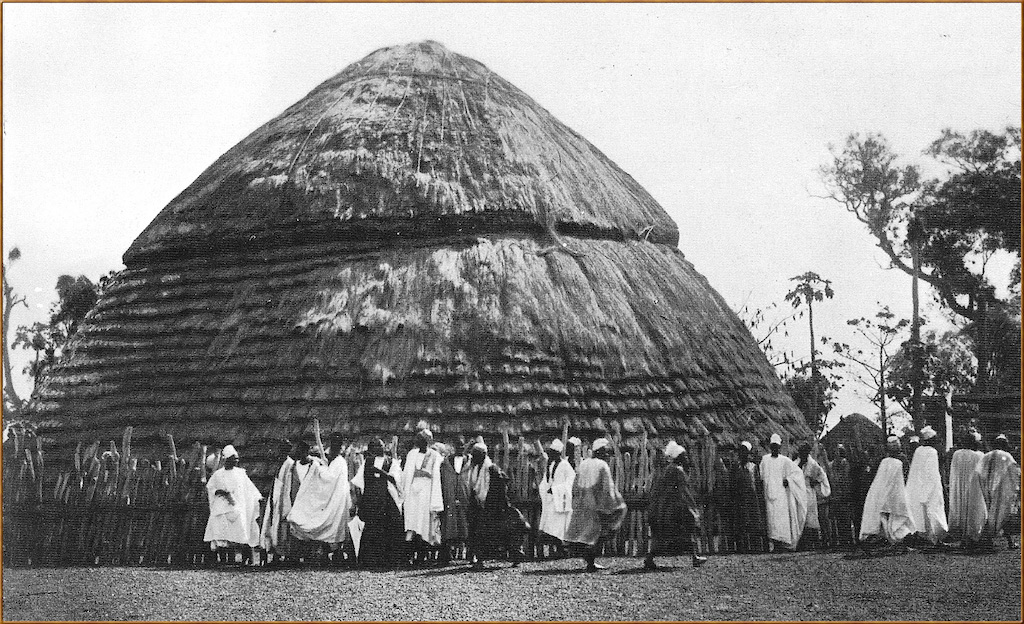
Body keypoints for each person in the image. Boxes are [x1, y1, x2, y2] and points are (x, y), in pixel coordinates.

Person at [288, 432, 353, 562]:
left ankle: (336, 553)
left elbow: (329, 477)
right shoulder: (331, 460)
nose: (334, 445)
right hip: (331, 498)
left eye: (337, 443)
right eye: (332, 442)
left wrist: (319, 467)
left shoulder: (340, 462)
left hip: (338, 500)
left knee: (335, 525)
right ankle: (325, 552)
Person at [565, 438, 628, 572]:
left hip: (582, 503)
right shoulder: (602, 465)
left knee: (586, 532)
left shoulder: (583, 464)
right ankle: (591, 562)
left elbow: (575, 485)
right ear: (600, 452)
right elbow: (608, 487)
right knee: (600, 531)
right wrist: (614, 504)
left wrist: (576, 501)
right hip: (596, 503)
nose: (606, 454)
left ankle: (590, 561)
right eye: (604, 452)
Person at [643, 440, 707, 570]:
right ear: (678, 457)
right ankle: (694, 557)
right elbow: (684, 491)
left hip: (666, 508)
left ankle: (650, 558)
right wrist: (692, 508)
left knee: (663, 536)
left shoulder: (668, 470)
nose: (686, 458)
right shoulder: (678, 471)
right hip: (676, 508)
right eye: (683, 456)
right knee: (687, 530)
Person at [464, 439, 528, 569]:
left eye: (475, 455)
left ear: (483, 455)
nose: (473, 457)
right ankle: (480, 559)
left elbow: (502, 487)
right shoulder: (475, 468)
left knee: (500, 534)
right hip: (480, 507)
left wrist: (497, 506)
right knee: (479, 533)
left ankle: (515, 557)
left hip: (493, 508)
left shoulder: (492, 469)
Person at [350, 437, 405, 568]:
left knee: (389, 528)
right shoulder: (367, 461)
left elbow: (394, 479)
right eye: (375, 446)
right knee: (372, 530)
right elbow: (358, 481)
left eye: (380, 446)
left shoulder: (391, 462)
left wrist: (379, 471)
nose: (378, 448)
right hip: (371, 500)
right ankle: (370, 560)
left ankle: (389, 560)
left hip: (385, 499)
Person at [204, 445, 263, 564]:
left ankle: (246, 559)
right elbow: (210, 487)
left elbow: (250, 488)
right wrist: (219, 491)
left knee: (240, 531)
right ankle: (225, 559)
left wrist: (258, 497)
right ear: (227, 459)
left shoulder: (241, 473)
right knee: (222, 532)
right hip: (221, 507)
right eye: (233, 458)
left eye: (237, 459)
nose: (236, 461)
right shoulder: (218, 474)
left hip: (237, 507)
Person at [261, 440, 315, 564]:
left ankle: (288, 554)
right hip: (278, 499)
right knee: (277, 527)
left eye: (284, 449)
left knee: (288, 529)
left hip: (287, 500)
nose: (281, 452)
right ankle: (278, 554)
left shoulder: (290, 464)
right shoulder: (283, 464)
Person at [965, 434, 1021, 550]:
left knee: (989, 513)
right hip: (1001, 491)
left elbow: (978, 472)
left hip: (987, 489)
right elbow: (1015, 470)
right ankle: (1010, 542)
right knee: (1004, 515)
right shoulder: (1007, 456)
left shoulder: (987, 456)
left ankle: (987, 539)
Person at [859, 435, 916, 547]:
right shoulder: (894, 461)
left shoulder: (888, 460)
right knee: (894, 517)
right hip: (895, 492)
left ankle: (892, 538)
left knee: (891, 517)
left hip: (889, 492)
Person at [401, 427, 444, 563]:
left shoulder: (435, 456)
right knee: (411, 524)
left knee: (423, 524)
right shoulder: (412, 454)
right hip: (412, 493)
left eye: (420, 438)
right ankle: (408, 555)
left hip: (426, 493)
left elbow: (436, 477)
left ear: (426, 440)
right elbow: (406, 474)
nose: (417, 440)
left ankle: (421, 556)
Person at [759, 433, 807, 551]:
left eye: (776, 446)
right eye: (773, 446)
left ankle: (782, 544)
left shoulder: (785, 461)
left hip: (781, 496)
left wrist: (789, 480)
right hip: (769, 495)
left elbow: (797, 473)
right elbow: (761, 475)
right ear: (770, 447)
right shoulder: (765, 460)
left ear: (779, 447)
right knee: (771, 521)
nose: (774, 448)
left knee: (781, 520)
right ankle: (774, 544)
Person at [904, 425, 948, 545]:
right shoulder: (932, 452)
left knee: (923, 513)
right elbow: (931, 472)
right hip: (931, 486)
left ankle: (925, 536)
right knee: (933, 511)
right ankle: (935, 538)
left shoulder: (918, 451)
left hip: (918, 486)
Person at [538, 438, 575, 554]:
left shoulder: (565, 466)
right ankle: (556, 549)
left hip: (561, 500)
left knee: (560, 526)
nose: (550, 456)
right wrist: (545, 489)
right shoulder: (551, 465)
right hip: (551, 501)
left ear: (558, 454)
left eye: (552, 453)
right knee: (551, 526)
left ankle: (562, 550)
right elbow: (546, 481)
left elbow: (570, 482)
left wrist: (555, 490)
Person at [947, 431, 985, 542]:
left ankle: (963, 533)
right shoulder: (978, 455)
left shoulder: (957, 454)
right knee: (974, 509)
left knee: (962, 507)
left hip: (960, 487)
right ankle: (973, 534)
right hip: (974, 488)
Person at [438, 437, 470, 565]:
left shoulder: (469, 462)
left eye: (462, 446)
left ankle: (470, 555)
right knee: (448, 526)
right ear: (453, 447)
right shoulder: (446, 463)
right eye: (458, 446)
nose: (460, 449)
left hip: (465, 499)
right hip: (449, 498)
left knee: (466, 525)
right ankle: (446, 556)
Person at [731, 440, 766, 553]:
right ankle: (742, 548)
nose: (742, 454)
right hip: (740, 498)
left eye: (745, 451)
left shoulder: (753, 467)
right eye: (740, 451)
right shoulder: (735, 467)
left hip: (752, 498)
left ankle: (755, 547)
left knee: (754, 521)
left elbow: (757, 482)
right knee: (741, 522)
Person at [796, 442, 831, 550]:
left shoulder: (813, 465)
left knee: (811, 518)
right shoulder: (796, 463)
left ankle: (814, 543)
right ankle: (802, 543)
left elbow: (822, 476)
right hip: (799, 493)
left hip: (809, 493)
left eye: (804, 452)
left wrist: (815, 482)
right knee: (800, 517)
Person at [827, 444, 854, 548]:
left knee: (846, 519)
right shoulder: (830, 465)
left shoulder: (845, 463)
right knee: (836, 519)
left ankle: (848, 539)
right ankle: (838, 540)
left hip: (843, 495)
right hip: (835, 495)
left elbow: (846, 478)